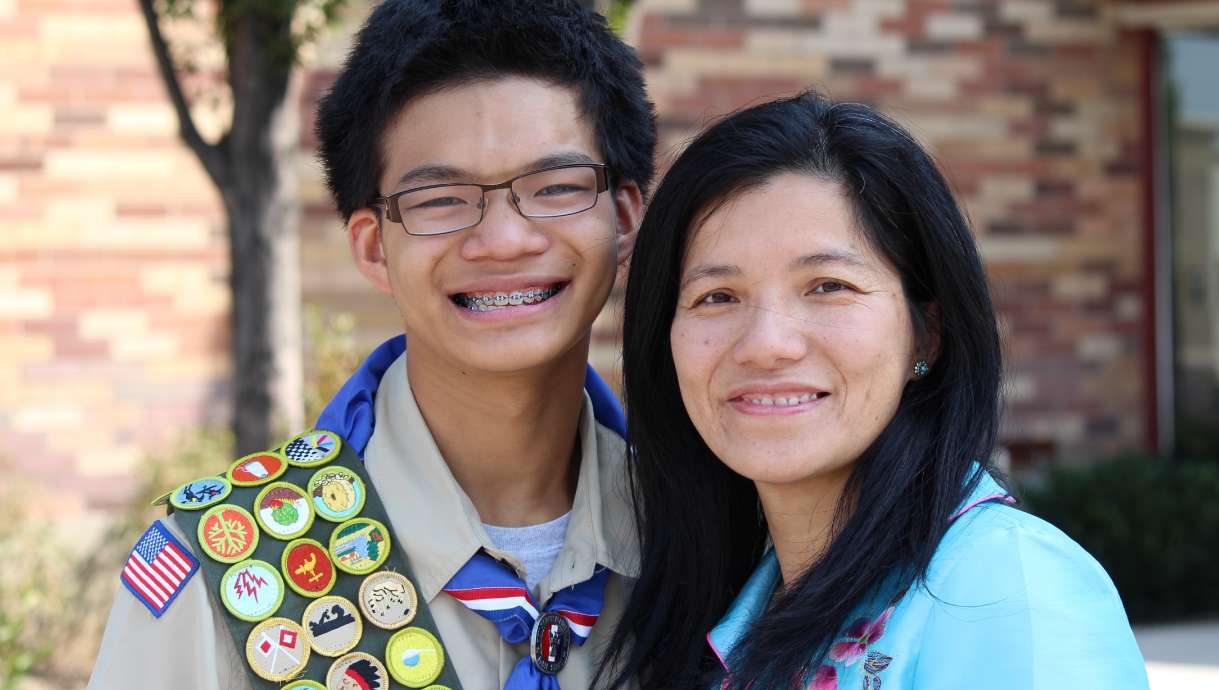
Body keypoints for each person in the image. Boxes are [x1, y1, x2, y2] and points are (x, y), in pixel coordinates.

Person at [87, 1, 654, 688]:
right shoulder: (222, 572)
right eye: (440, 199)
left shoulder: (706, 539)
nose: (506, 240)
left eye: (556, 187)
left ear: (623, 219)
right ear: (372, 247)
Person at [601, 91, 1148, 689]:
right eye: (718, 297)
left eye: (828, 286)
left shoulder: (1005, 586)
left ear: (926, 334)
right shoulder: (727, 611)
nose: (766, 343)